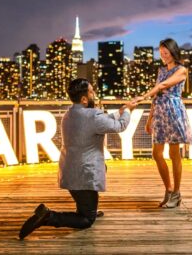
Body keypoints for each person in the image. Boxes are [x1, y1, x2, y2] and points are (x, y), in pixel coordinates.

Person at [19, 78, 137, 239]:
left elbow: (100, 121)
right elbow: (119, 127)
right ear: (84, 99)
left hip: (69, 170)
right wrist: (129, 111)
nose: (94, 93)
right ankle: (48, 216)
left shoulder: (70, 113)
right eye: (91, 91)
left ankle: (88, 208)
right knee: (87, 220)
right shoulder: (93, 116)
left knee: (90, 196)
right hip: (85, 173)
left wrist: (120, 112)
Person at [135, 38, 192, 208]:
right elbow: (157, 95)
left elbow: (164, 85)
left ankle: (177, 193)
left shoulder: (181, 70)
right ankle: (168, 188)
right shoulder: (161, 70)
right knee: (156, 153)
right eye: (161, 53)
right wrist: (149, 118)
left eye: (166, 53)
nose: (163, 56)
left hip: (173, 111)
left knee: (174, 154)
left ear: (173, 52)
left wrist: (143, 96)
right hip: (160, 111)